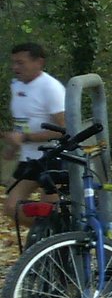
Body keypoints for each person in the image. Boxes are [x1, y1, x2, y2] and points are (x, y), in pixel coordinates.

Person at [4, 42, 67, 225]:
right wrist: (13, 145)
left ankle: (56, 240)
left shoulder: (51, 88)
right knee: (11, 207)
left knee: (52, 211)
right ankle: (47, 237)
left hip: (52, 159)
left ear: (38, 62)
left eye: (21, 63)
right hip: (29, 159)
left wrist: (25, 138)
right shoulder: (16, 85)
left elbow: (65, 131)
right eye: (14, 63)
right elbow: (23, 120)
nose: (15, 68)